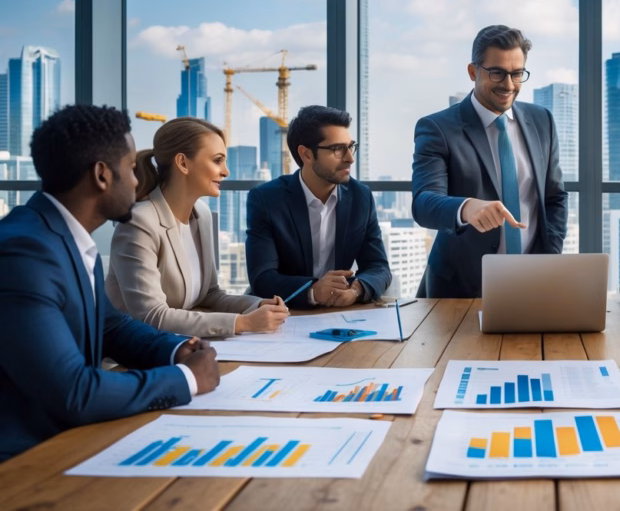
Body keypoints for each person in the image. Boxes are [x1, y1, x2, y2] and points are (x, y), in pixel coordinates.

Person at [0, 104, 219, 462]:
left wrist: (176, 349)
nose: (137, 181)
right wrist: (186, 380)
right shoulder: (26, 254)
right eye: (131, 168)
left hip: (70, 443)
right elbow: (75, 392)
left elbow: (111, 327)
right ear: (102, 175)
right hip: (24, 463)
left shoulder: (60, 239)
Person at [412, 24, 568, 298]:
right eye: (497, 73)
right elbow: (424, 202)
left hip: (532, 285)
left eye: (517, 74)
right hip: (459, 290)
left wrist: (549, 258)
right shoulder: (438, 128)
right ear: (473, 72)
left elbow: (554, 198)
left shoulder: (542, 121)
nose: (509, 85)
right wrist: (466, 208)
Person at [106, 118, 289, 337]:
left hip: (184, 344)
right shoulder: (139, 223)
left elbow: (210, 295)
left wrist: (258, 306)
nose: (226, 171)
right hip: (134, 357)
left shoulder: (201, 214)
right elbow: (151, 316)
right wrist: (242, 323)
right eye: (218, 161)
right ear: (183, 163)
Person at [246, 105, 391, 309]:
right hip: (284, 311)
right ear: (306, 154)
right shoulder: (266, 199)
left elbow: (379, 268)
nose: (350, 158)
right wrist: (313, 291)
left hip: (341, 312)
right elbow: (262, 279)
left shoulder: (361, 197)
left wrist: (357, 289)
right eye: (338, 149)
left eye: (351, 146)